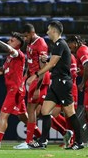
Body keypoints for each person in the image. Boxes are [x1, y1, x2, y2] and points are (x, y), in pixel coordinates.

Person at [27, 21, 84, 150]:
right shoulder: (58, 45)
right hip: (56, 83)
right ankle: (43, 141)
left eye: (48, 30)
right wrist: (46, 59)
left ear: (53, 30)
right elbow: (55, 61)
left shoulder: (60, 44)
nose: (47, 32)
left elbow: (52, 64)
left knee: (70, 113)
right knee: (45, 111)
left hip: (62, 83)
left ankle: (79, 142)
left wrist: (35, 75)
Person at [14, 23, 50, 149]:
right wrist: (24, 78)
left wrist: (38, 88)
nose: (24, 39)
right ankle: (33, 140)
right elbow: (30, 63)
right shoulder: (30, 44)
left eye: (25, 36)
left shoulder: (41, 44)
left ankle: (30, 141)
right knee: (37, 110)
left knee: (33, 109)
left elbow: (44, 68)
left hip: (39, 80)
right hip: (32, 79)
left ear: (30, 33)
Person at [67, 35, 88, 123]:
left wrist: (82, 82)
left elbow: (87, 65)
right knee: (86, 113)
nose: (70, 49)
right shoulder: (83, 49)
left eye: (70, 46)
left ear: (75, 43)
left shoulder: (81, 50)